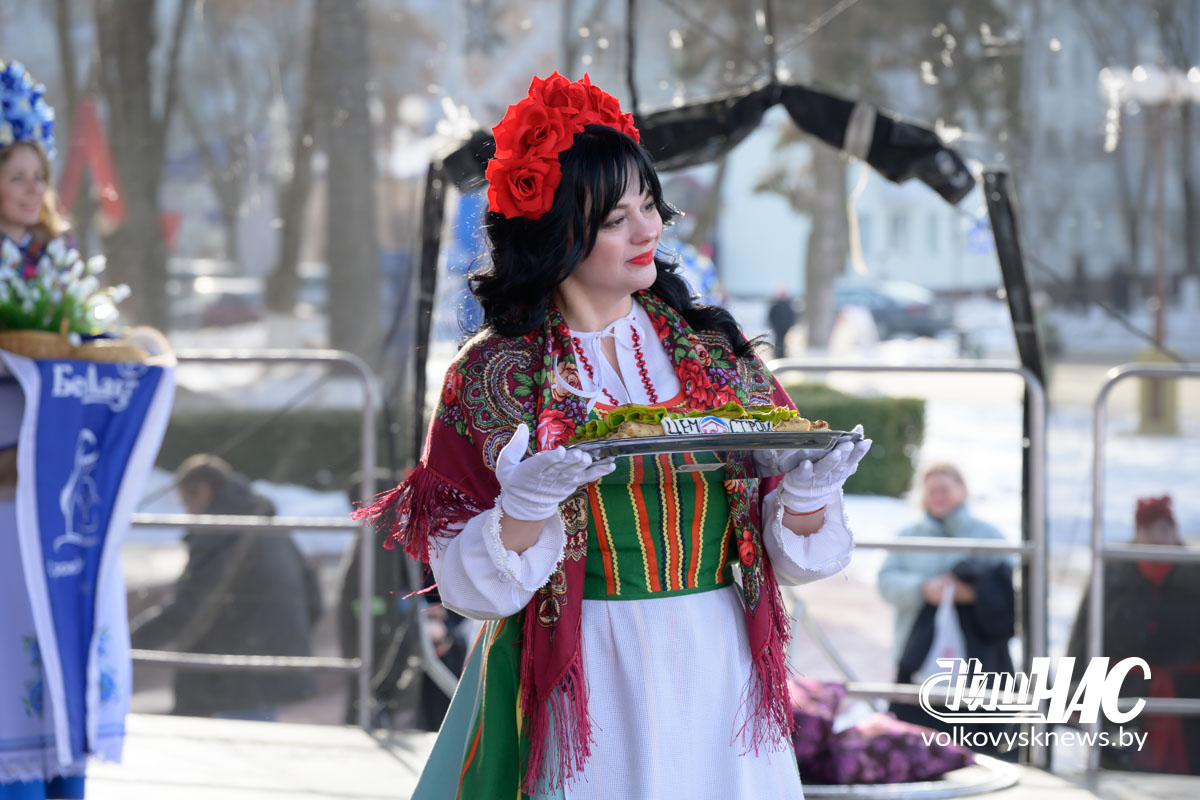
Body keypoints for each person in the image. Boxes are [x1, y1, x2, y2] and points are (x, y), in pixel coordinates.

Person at [358, 73, 872, 799]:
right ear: (556, 231)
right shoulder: (493, 373)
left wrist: (810, 494)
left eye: (650, 205)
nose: (648, 230)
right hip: (582, 666)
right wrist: (522, 510)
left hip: (716, 656)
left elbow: (790, 557)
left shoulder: (711, 351)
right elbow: (470, 590)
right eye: (616, 218)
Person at [130, 454, 321, 720]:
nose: (188, 513)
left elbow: (189, 607)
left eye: (187, 502)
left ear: (204, 491)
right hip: (265, 671)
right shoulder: (266, 523)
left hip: (234, 678)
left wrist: (128, 642)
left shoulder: (222, 534)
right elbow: (313, 597)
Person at [876, 463, 1016, 757]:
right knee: (916, 740)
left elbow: (1009, 591)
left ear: (962, 489)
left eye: (944, 489)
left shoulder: (989, 535)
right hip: (916, 654)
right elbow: (886, 582)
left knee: (975, 742)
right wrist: (922, 589)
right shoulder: (907, 536)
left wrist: (974, 594)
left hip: (979, 660)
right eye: (931, 491)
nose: (938, 497)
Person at [1066, 495, 1200, 774]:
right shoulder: (1113, 570)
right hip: (1123, 694)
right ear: (1137, 532)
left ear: (1174, 532)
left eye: (1164, 529)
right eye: (1149, 530)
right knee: (1122, 773)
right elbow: (1085, 636)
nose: (1157, 538)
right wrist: (1075, 694)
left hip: (1187, 697)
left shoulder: (1194, 570)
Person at [768, 288, 797, 358]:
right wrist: (774, 326)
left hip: (785, 328)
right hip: (777, 329)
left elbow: (792, 316)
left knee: (784, 342)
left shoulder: (788, 305)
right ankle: (777, 354)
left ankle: (783, 355)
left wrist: (790, 325)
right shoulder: (775, 305)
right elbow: (771, 317)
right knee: (778, 341)